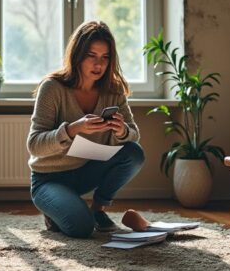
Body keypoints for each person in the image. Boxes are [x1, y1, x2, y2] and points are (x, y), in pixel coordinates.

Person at [27, 20, 145, 238]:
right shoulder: (52, 88)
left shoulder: (114, 90)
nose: (99, 64)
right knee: (81, 228)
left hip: (85, 171)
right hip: (49, 179)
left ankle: (98, 209)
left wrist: (122, 131)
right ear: (78, 55)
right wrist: (72, 129)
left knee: (134, 152)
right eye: (92, 55)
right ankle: (55, 209)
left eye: (105, 57)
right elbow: (34, 145)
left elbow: (134, 134)